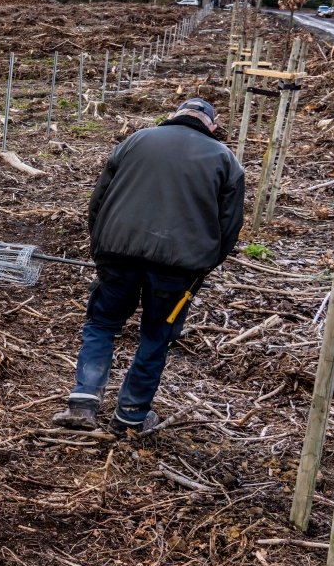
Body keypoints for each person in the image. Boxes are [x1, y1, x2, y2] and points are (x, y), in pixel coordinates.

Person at [53, 98, 245, 435]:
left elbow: (98, 200)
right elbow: (229, 227)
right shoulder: (226, 160)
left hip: (117, 253)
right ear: (212, 126)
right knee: (156, 336)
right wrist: (203, 266)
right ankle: (131, 415)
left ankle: (83, 402)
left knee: (102, 322)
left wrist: (101, 247)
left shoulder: (136, 140)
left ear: (173, 117)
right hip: (179, 267)